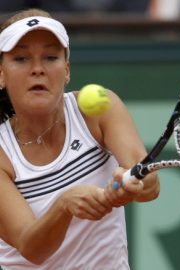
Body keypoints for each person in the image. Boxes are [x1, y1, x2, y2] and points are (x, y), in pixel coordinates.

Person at [0, 8, 160, 270]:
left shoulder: (99, 112)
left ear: (66, 70)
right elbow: (31, 247)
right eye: (21, 59)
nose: (38, 69)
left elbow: (151, 186)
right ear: (1, 75)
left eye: (50, 57)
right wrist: (64, 205)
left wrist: (132, 184)